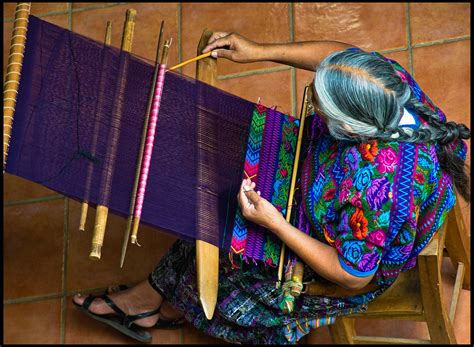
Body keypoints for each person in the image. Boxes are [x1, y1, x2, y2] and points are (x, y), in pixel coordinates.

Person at [73, 32, 470, 344]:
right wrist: (258, 50)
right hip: (327, 192)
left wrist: (276, 224)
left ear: (350, 130)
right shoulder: (388, 85)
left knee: (226, 247)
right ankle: (156, 296)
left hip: (353, 255)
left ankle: (157, 301)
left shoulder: (377, 192)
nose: (312, 101)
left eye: (322, 108)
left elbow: (352, 274)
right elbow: (340, 59)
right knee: (217, 197)